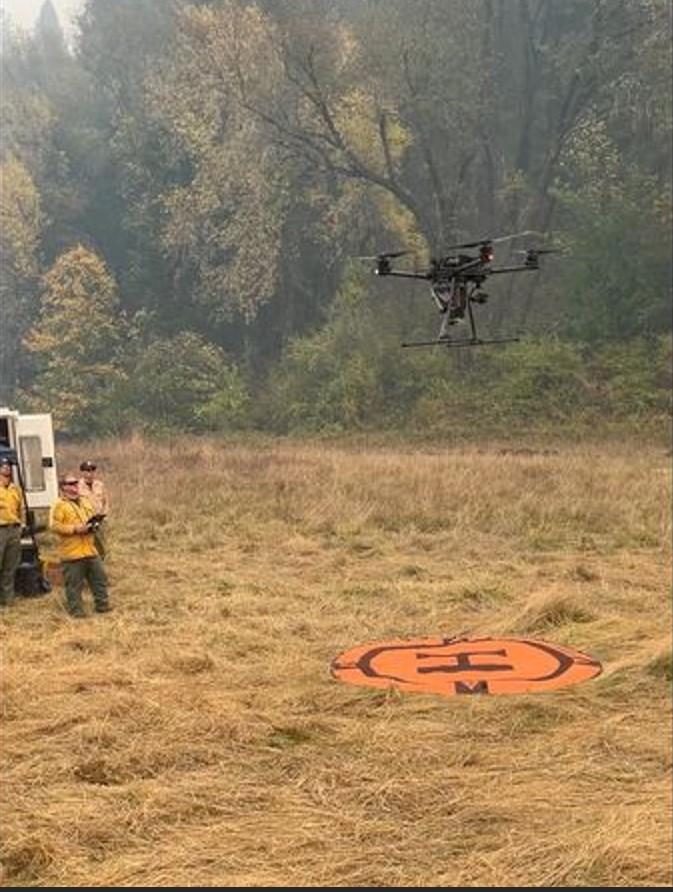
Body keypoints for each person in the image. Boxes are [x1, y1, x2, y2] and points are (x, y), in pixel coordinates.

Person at [49, 473, 112, 617]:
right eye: (70, 484)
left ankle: (102, 606)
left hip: (90, 549)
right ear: (63, 487)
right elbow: (54, 526)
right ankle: (77, 613)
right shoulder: (59, 505)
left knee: (100, 578)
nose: (74, 486)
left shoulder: (84, 502)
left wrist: (94, 525)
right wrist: (75, 529)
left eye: (76, 483)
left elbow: (90, 518)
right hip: (72, 553)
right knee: (74, 585)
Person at [0, 457, 25, 607]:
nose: (6, 468)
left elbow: (19, 509)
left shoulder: (16, 489)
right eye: (3, 466)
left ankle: (8, 600)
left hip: (14, 530)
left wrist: (20, 526)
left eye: (8, 466)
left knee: (11, 566)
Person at [78, 460, 109, 560]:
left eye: (92, 471)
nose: (89, 474)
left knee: (101, 544)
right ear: (82, 472)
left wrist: (104, 515)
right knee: (87, 544)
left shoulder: (100, 485)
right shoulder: (77, 486)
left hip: (99, 519)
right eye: (87, 471)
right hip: (85, 520)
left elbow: (106, 501)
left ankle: (101, 561)